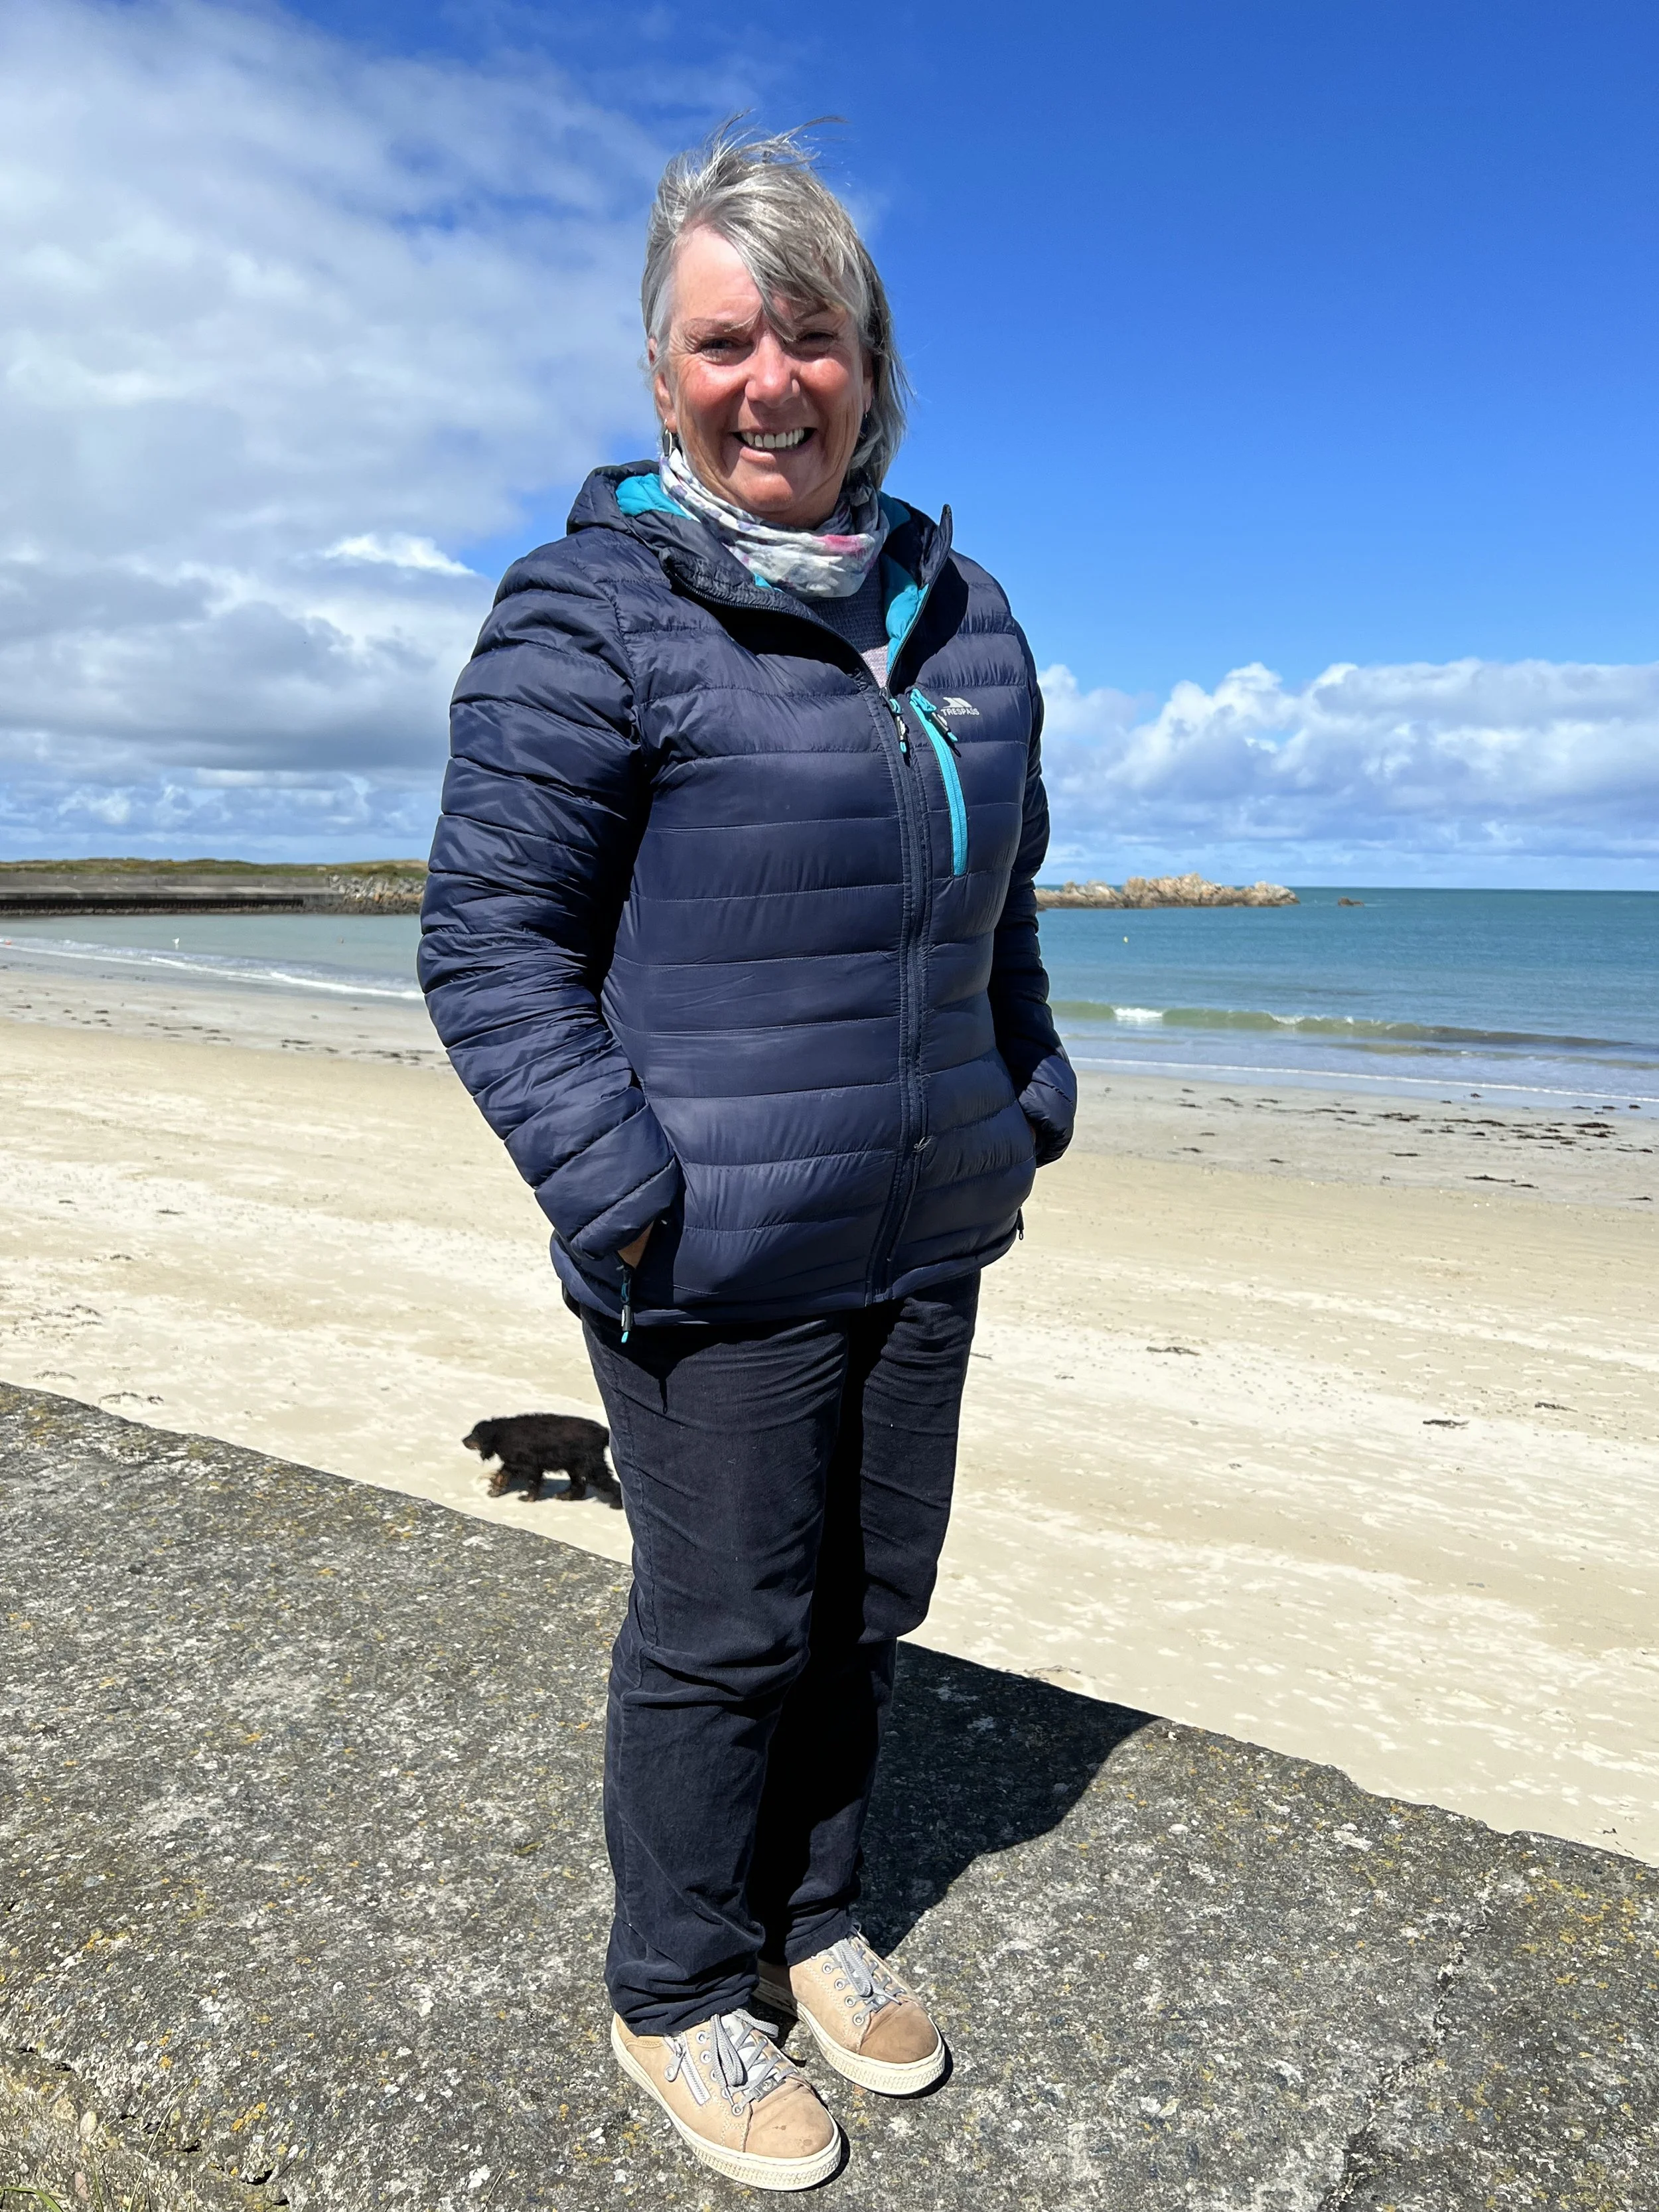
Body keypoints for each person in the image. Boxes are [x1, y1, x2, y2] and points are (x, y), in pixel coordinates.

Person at [419, 126, 1075, 2192]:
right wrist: (626, 1188)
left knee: (869, 1598)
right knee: (722, 1622)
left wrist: (1024, 1094)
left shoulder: (960, 614)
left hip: (923, 1222)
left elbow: (1009, 901)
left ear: (871, 362)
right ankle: (678, 1983)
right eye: (727, 340)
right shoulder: (588, 614)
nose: (770, 379)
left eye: (811, 334)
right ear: (659, 371)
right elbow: (486, 942)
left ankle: (808, 1915)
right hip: (703, 1247)